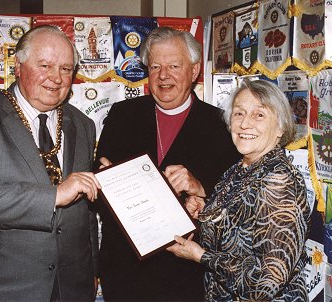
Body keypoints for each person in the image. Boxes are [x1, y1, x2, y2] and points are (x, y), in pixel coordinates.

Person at [0, 25, 101, 302]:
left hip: (70, 286)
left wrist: (92, 270)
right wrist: (55, 195)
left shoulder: (83, 124)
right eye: (45, 65)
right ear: (18, 67)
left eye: (66, 69)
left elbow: (85, 213)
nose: (56, 78)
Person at [94, 26, 240, 301]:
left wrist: (201, 187)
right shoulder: (123, 115)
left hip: (186, 275)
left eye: (174, 65)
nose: (163, 76)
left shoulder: (221, 126)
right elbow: (96, 188)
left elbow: (236, 202)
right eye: (155, 66)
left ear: (194, 71)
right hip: (124, 271)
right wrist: (103, 181)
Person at [167, 79, 311, 301]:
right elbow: (240, 224)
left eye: (259, 115)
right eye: (239, 113)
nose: (245, 124)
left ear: (281, 126)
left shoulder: (278, 180)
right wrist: (206, 211)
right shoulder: (239, 169)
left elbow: (267, 282)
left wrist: (202, 256)